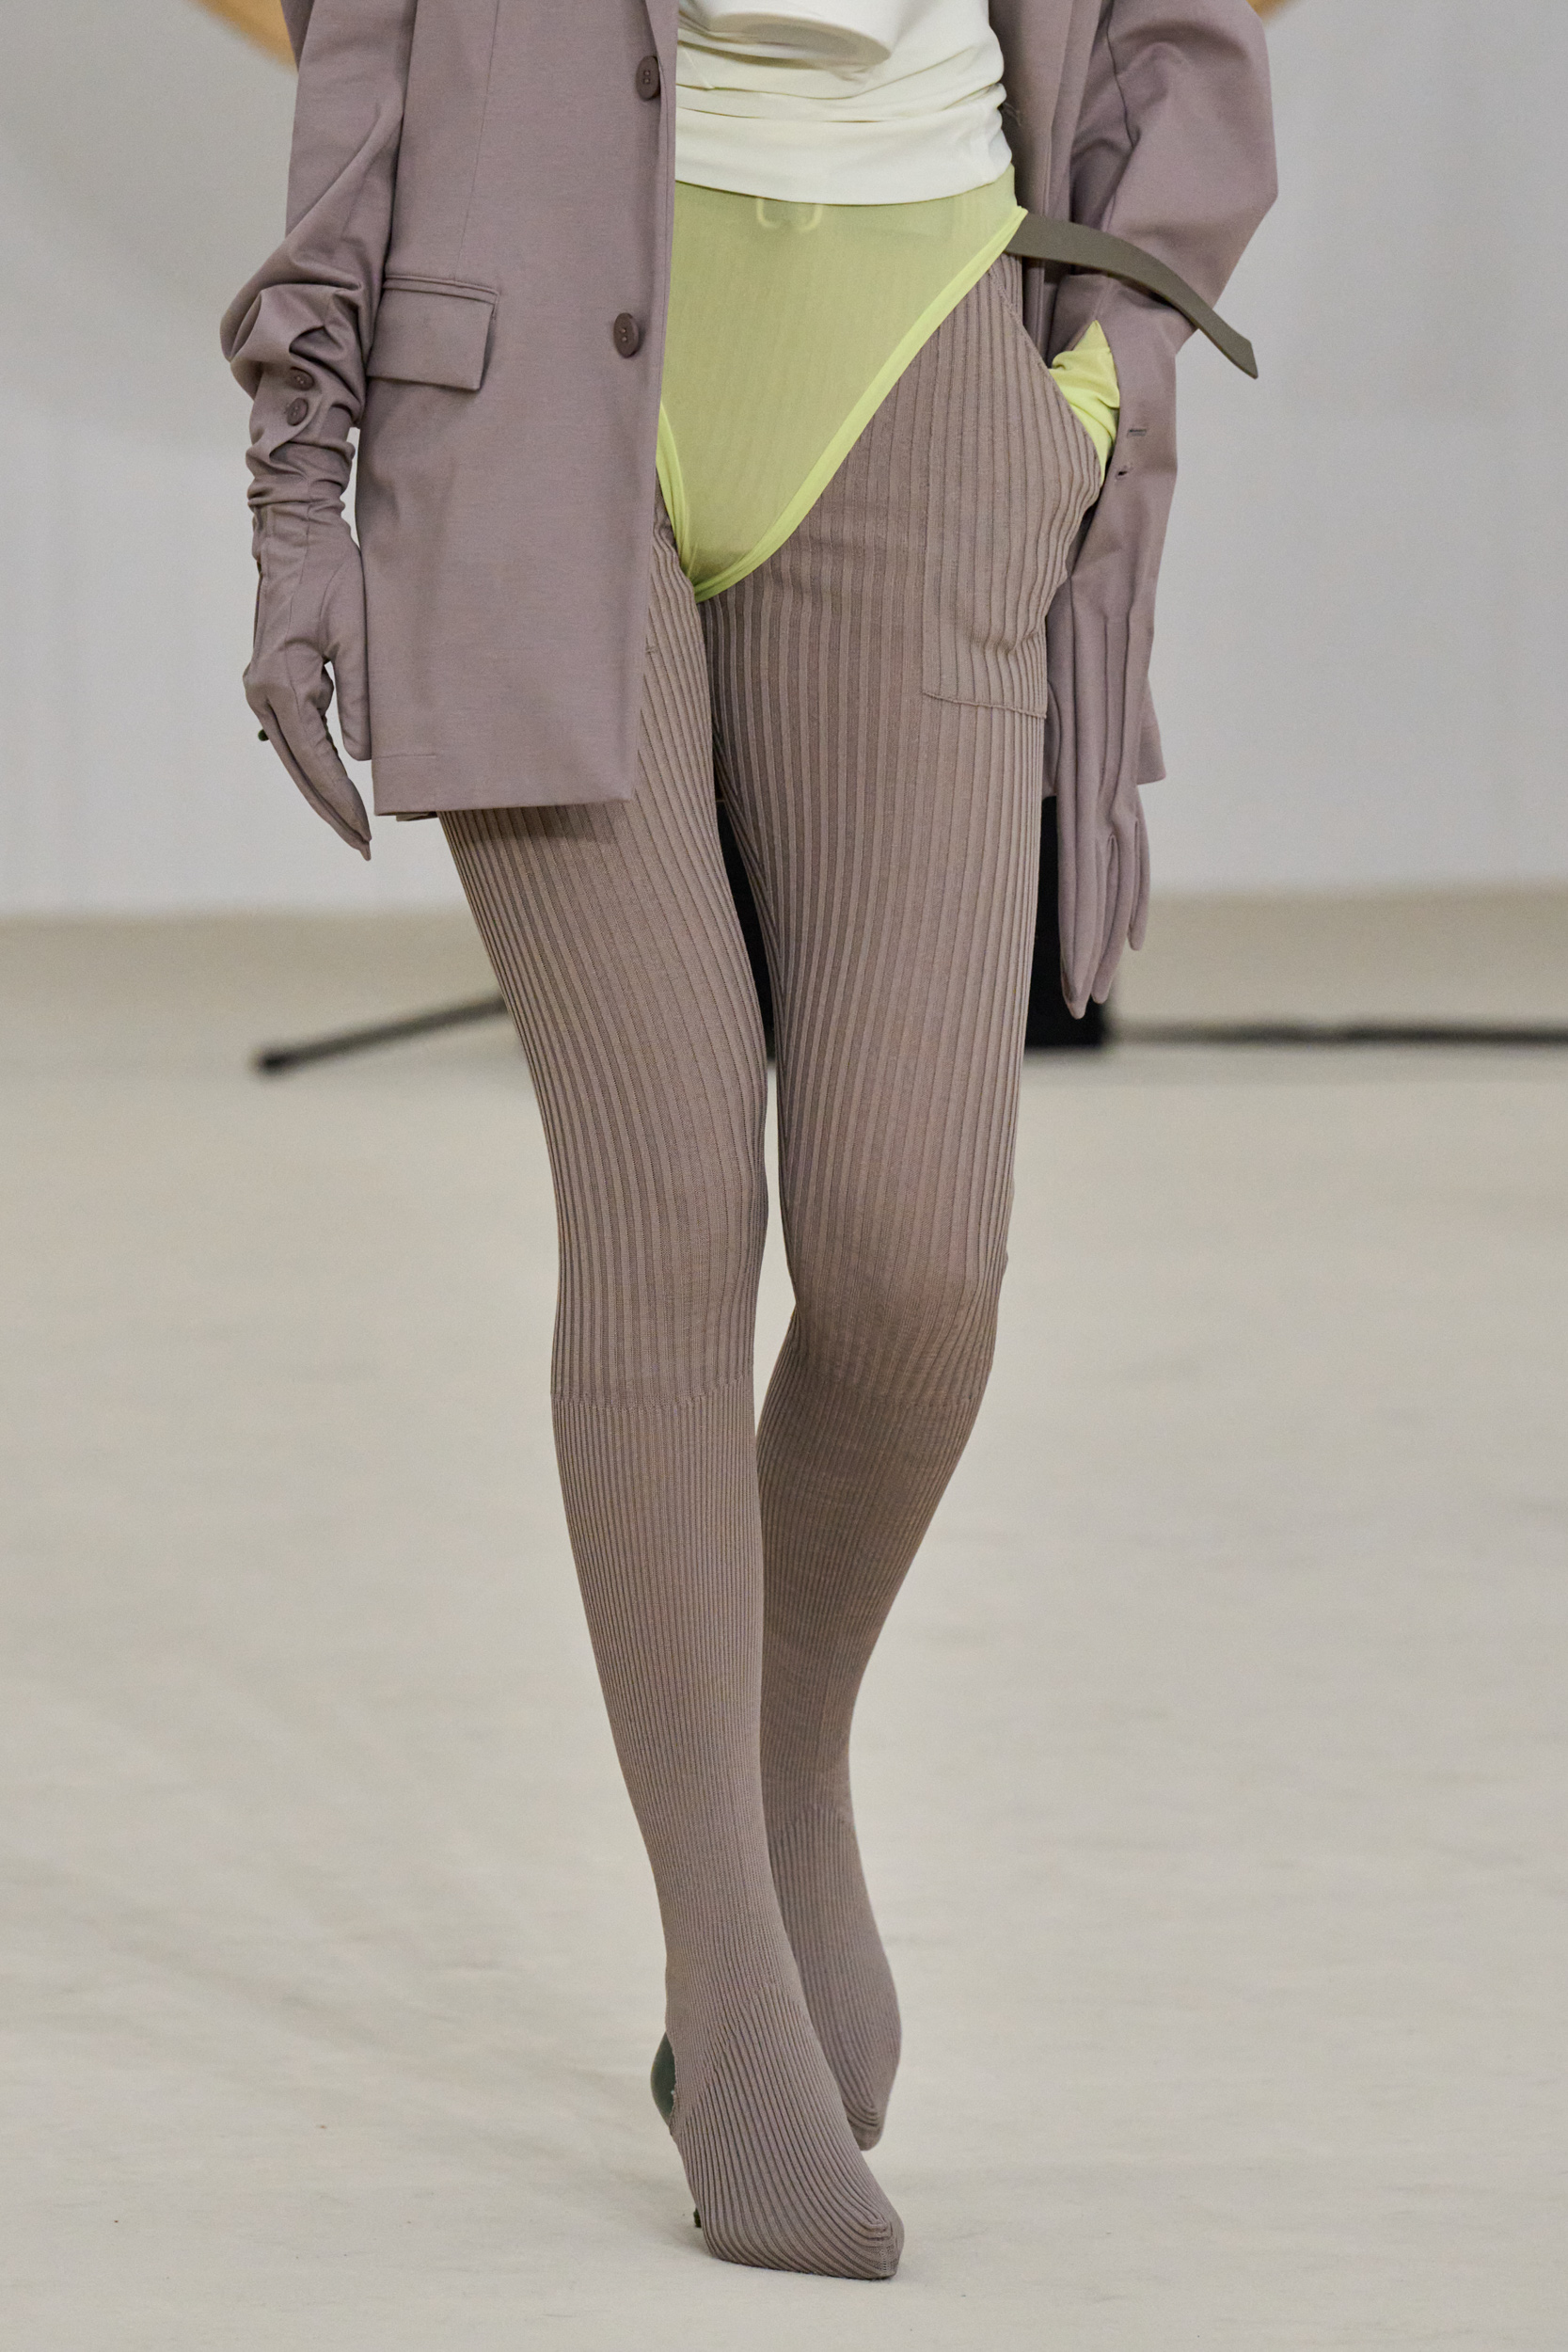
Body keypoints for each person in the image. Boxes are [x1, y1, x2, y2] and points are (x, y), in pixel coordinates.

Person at [223, 0, 1275, 2281]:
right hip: (516, 391)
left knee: (913, 1258)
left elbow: (1185, 34)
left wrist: (1098, 384)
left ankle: (786, 1760)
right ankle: (725, 1970)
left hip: (927, 342)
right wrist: (299, 492)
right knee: (667, 1195)